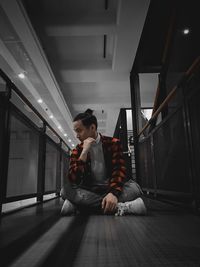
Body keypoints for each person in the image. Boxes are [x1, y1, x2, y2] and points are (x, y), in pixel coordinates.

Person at [60, 109, 146, 216]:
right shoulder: (78, 150)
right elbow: (73, 179)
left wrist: (113, 193)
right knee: (65, 190)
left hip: (111, 188)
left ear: (92, 127)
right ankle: (122, 207)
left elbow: (119, 170)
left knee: (135, 188)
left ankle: (80, 207)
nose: (77, 135)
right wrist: (84, 152)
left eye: (79, 130)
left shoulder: (113, 143)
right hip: (90, 190)